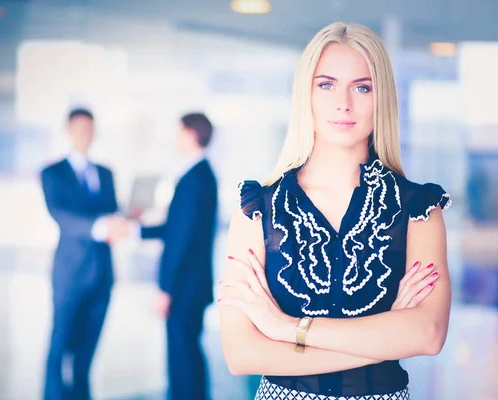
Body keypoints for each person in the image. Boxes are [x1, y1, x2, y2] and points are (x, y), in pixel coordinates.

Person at [219, 22, 452, 400]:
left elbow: (427, 335)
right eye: (326, 85)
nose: (343, 103)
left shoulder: (418, 209)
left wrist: (285, 328)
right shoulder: (256, 211)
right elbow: (241, 354)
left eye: (362, 87)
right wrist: (384, 336)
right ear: (305, 95)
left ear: (383, 98)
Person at [41, 108, 126, 400]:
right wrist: (102, 226)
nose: (85, 135)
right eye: (79, 129)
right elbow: (61, 215)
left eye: (90, 129)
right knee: (59, 349)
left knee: (85, 356)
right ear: (68, 131)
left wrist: (124, 220)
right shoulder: (53, 174)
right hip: (70, 274)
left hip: (102, 274)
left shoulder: (105, 173)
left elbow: (112, 212)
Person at [132, 113, 218, 400]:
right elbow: (176, 229)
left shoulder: (194, 178)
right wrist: (137, 230)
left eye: (178, 132)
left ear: (192, 133)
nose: (175, 139)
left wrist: (166, 289)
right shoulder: (201, 175)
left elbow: (180, 240)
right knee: (187, 354)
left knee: (182, 359)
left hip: (184, 287)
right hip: (192, 285)